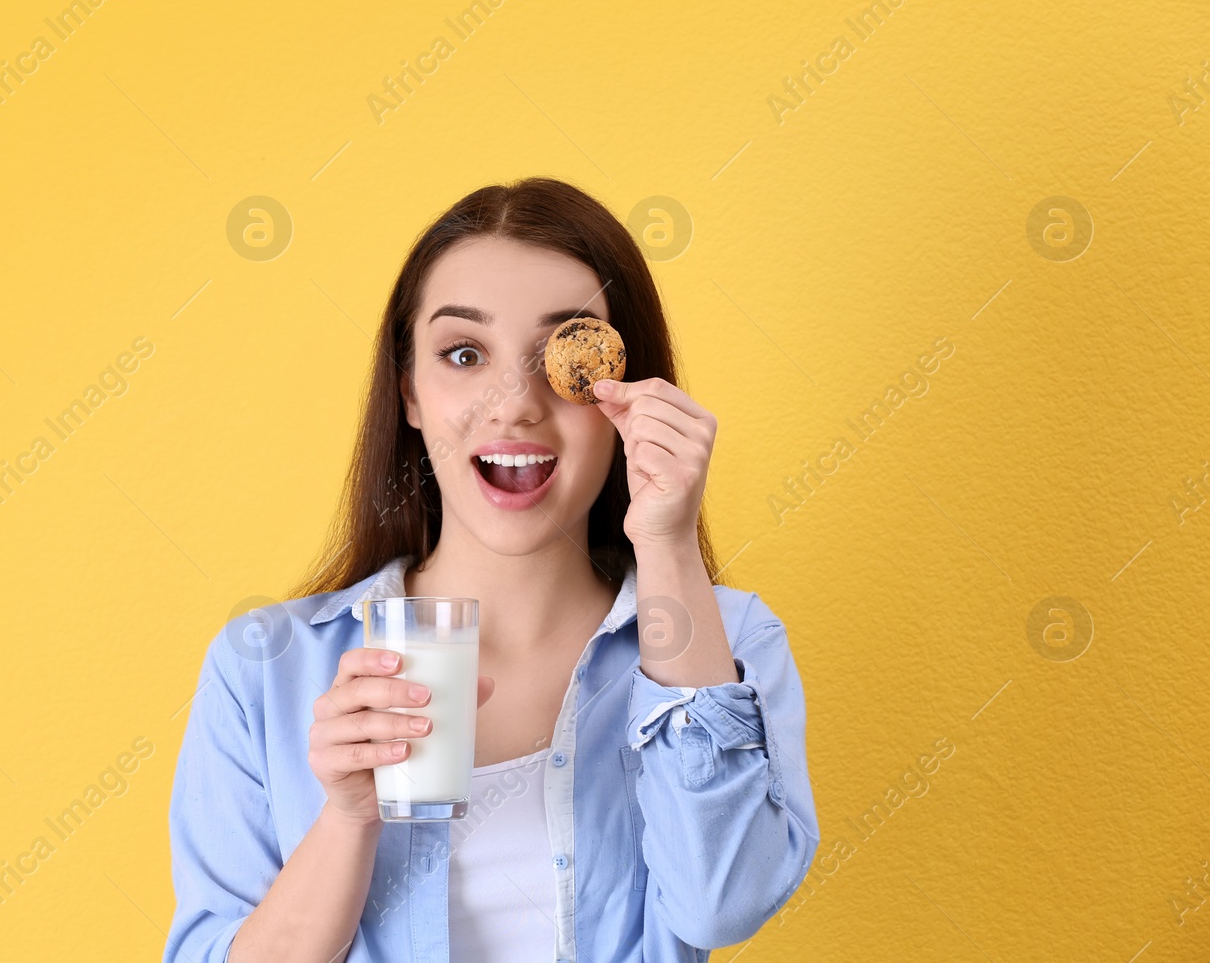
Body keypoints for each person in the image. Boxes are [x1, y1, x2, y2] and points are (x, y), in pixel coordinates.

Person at [164, 176, 819, 962]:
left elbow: (723, 907)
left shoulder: (730, 640)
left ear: (628, 391)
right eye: (464, 353)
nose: (514, 404)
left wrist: (669, 541)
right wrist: (346, 816)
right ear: (409, 391)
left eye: (561, 353)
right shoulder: (263, 667)